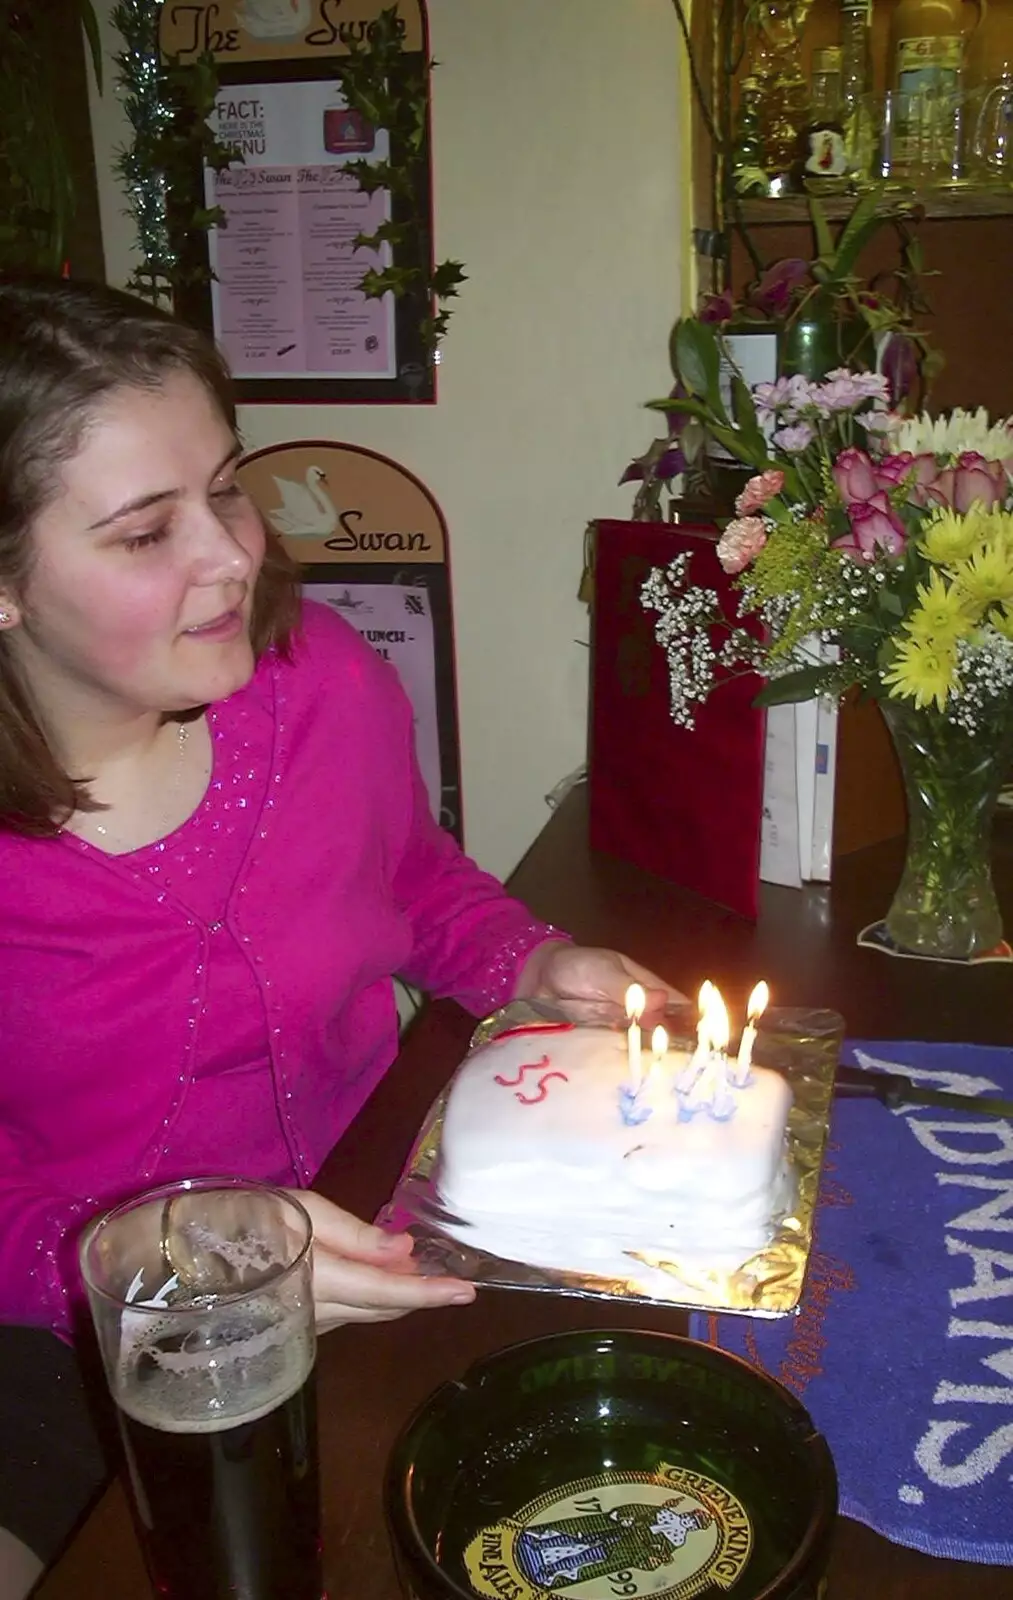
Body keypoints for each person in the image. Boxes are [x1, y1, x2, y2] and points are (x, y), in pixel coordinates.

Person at [0, 278, 676, 1595]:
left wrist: (529, 960)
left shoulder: (315, 676)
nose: (233, 557)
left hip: (388, 1234)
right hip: (52, 1340)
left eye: (228, 488)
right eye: (146, 534)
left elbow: (413, 879)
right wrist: (166, 1258)